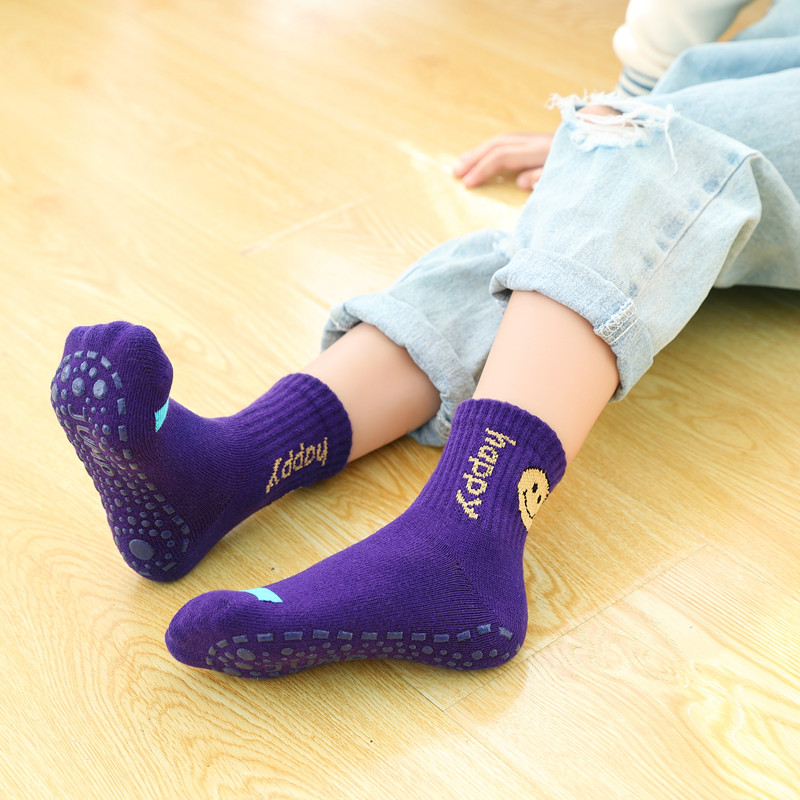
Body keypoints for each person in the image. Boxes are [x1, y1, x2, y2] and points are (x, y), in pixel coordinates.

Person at [51, 0, 800, 679]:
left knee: (648, 158)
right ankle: (225, 471)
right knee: (552, 243)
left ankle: (465, 540)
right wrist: (603, 156)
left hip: (733, 103)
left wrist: (617, 129)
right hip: (749, 82)